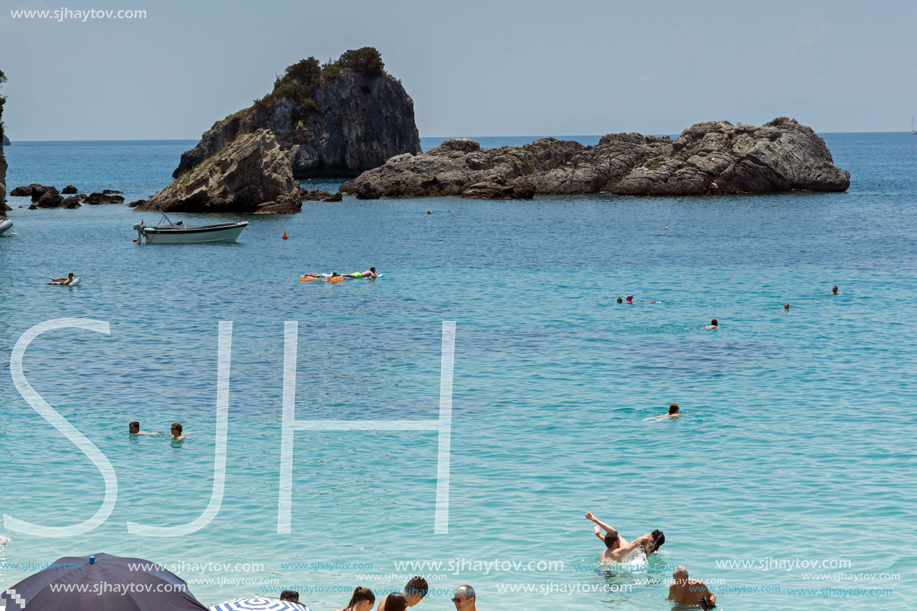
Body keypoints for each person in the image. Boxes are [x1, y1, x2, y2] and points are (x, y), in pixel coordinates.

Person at [584, 512, 660, 563]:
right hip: (612, 574)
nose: (620, 541)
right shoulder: (623, 551)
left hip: (600, 572)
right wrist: (643, 539)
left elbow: (612, 546)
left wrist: (599, 535)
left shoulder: (604, 553)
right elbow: (634, 543)